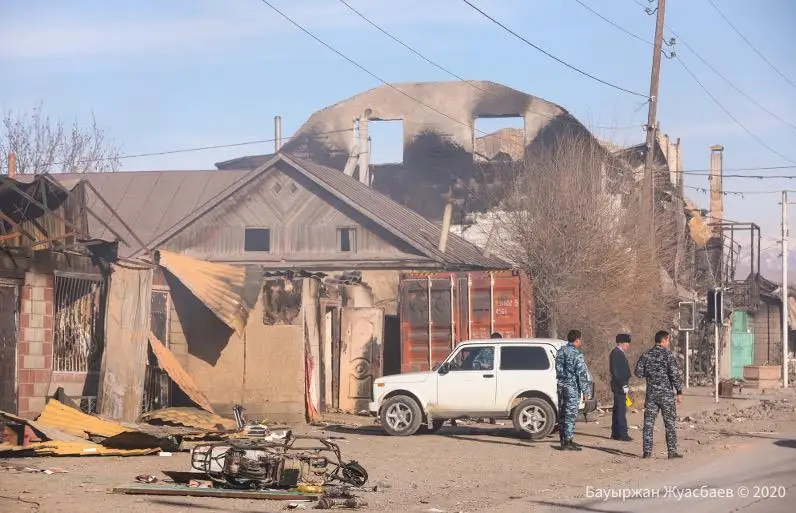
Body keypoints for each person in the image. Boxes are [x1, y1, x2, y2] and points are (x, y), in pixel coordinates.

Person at [634, 330, 684, 459]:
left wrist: (651, 375)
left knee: (649, 423)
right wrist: (679, 391)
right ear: (663, 341)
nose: (669, 342)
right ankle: (671, 451)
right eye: (668, 340)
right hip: (666, 394)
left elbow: (638, 372)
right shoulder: (668, 355)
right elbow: (674, 374)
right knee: (670, 423)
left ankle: (647, 452)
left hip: (651, 394)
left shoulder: (646, 355)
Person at [554, 329, 592, 450]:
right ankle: (568, 442)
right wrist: (586, 391)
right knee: (570, 415)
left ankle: (563, 440)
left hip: (561, 386)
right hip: (572, 388)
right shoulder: (577, 354)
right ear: (577, 340)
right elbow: (581, 374)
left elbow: (558, 369)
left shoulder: (560, 352)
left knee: (563, 414)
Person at [610, 333, 633, 441]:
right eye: (626, 343)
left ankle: (615, 433)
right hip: (619, 386)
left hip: (619, 385)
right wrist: (623, 384)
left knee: (617, 409)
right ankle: (622, 434)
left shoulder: (618, 353)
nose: (628, 345)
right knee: (621, 410)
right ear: (621, 343)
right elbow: (617, 372)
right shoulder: (616, 353)